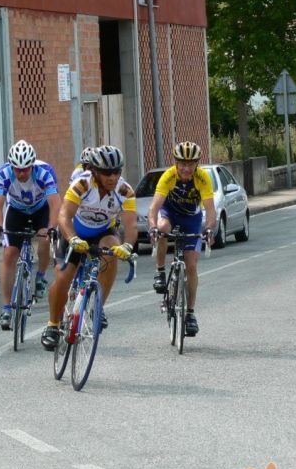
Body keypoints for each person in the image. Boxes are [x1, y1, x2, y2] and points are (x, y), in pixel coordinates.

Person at [41, 145, 137, 350]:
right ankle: (53, 324)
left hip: (102, 233)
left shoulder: (125, 190)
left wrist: (128, 245)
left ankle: (98, 306)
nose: (112, 177)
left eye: (116, 172)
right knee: (63, 276)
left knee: (112, 247)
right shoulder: (82, 185)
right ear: (95, 171)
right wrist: (73, 239)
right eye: (106, 172)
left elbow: (131, 225)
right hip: (73, 231)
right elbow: (64, 216)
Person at [0, 140, 61, 331]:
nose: (21, 173)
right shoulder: (4, 174)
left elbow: (55, 204)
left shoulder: (45, 172)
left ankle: (40, 277)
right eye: (17, 169)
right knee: (9, 255)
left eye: (25, 169)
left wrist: (52, 227)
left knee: (45, 237)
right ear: (11, 166)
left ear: (32, 165)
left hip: (40, 209)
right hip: (16, 211)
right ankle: (6, 308)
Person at [147, 141, 215, 337]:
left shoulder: (202, 178)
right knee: (162, 228)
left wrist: (209, 229)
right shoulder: (168, 176)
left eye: (191, 164)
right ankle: (160, 271)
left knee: (191, 265)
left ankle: (190, 314)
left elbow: (210, 211)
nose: (186, 168)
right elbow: (153, 208)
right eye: (182, 164)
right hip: (169, 213)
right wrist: (152, 226)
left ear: (197, 164)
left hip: (191, 219)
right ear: (176, 163)